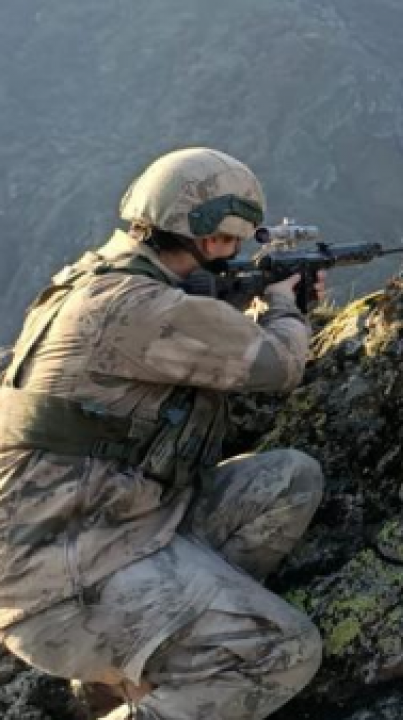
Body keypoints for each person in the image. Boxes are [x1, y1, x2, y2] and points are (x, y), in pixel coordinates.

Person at [0, 148, 325, 719]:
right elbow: (277, 364)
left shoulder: (95, 281)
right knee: (282, 652)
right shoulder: (142, 307)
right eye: (234, 240)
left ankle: (143, 665)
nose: (235, 251)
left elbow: (189, 344)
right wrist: (283, 305)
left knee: (287, 482)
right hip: (61, 584)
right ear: (213, 236)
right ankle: (146, 666)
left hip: (110, 527)